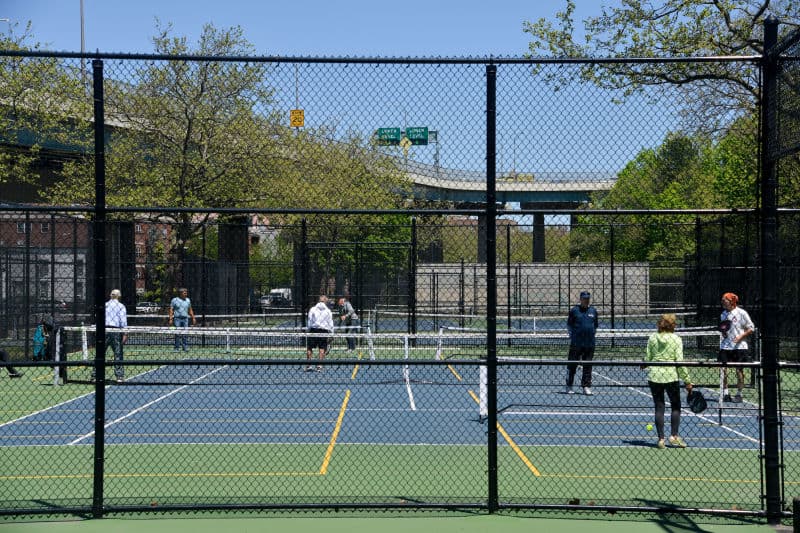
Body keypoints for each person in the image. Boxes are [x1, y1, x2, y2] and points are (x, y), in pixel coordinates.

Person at [644, 313, 693, 449]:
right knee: (676, 406)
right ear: (672, 325)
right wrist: (687, 381)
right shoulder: (676, 339)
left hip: (654, 376)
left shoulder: (653, 337)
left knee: (659, 407)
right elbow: (679, 362)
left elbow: (648, 357)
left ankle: (661, 440)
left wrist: (645, 364)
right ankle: (674, 436)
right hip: (671, 376)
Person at [719, 292, 755, 403]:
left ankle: (739, 394)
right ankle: (725, 393)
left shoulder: (742, 313)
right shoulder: (723, 314)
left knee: (739, 371)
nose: (723, 301)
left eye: (725, 300)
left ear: (732, 302)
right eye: (723, 300)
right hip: (725, 346)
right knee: (722, 370)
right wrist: (724, 334)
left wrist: (740, 337)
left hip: (740, 347)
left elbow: (751, 328)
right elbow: (724, 328)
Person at [566, 291, 599, 395]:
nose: (586, 300)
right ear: (580, 299)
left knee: (587, 366)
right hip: (576, 344)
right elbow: (569, 325)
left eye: (588, 298)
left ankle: (586, 386)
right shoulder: (574, 310)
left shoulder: (593, 311)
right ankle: (569, 386)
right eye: (584, 298)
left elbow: (595, 325)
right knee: (572, 365)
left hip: (589, 344)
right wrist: (573, 337)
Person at [92, 289, 128, 383]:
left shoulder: (105, 305)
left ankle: (95, 376)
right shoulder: (121, 306)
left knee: (100, 353)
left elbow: (98, 317)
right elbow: (123, 320)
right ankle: (119, 376)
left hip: (103, 330)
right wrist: (125, 333)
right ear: (119, 296)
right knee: (118, 353)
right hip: (115, 331)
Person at [306, 295, 333, 372]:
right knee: (322, 348)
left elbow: (309, 320)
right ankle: (319, 366)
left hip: (313, 330)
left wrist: (308, 329)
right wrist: (332, 333)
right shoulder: (328, 311)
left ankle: (308, 365)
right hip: (323, 331)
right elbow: (330, 323)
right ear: (325, 301)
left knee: (310, 347)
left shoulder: (313, 309)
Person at [169, 288, 196, 352]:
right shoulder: (174, 300)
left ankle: (185, 347)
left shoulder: (188, 300)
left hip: (185, 319)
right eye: (184, 293)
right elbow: (171, 310)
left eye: (186, 292)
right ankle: (176, 348)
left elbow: (190, 309)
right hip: (177, 319)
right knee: (177, 334)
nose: (186, 294)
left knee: (185, 334)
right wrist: (170, 319)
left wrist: (193, 317)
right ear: (181, 293)